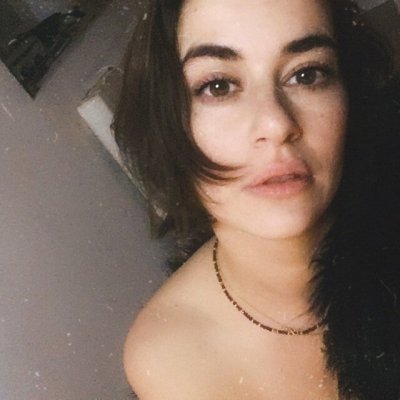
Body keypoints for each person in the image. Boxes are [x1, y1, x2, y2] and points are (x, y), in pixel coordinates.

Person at [114, 0, 400, 398]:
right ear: (165, 122)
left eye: (307, 74)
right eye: (219, 86)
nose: (276, 123)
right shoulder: (172, 357)